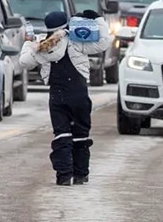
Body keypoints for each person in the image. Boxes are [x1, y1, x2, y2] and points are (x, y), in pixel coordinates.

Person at [20, 10, 112, 186]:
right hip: (79, 94)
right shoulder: (76, 41)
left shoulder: (41, 47)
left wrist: (29, 43)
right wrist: (98, 19)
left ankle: (63, 175)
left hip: (57, 96)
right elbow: (103, 42)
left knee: (61, 134)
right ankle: (80, 174)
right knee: (81, 135)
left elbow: (24, 62)